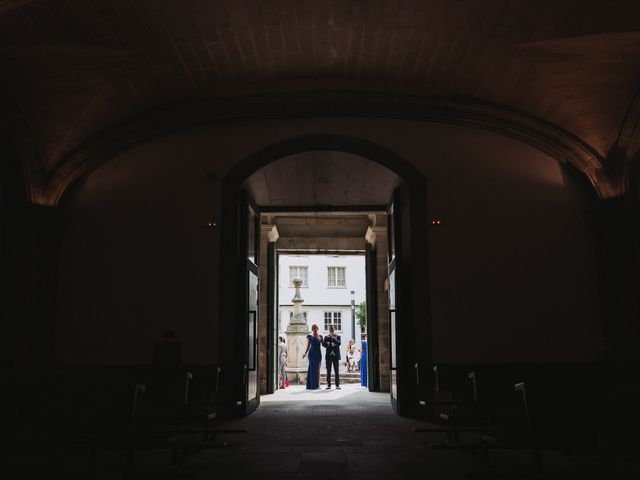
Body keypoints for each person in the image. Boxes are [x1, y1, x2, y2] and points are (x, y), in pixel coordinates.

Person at [302, 323, 323, 390]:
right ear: (312, 329)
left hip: (318, 354)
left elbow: (324, 344)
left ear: (317, 328)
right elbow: (308, 346)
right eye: (314, 328)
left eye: (316, 328)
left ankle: (317, 384)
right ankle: (311, 385)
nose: (315, 329)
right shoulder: (310, 337)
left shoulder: (320, 337)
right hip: (312, 354)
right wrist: (305, 353)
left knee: (318, 369)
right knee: (311, 369)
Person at [322, 324, 341, 389]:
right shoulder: (326, 337)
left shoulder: (338, 336)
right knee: (328, 371)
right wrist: (325, 343)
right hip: (329, 356)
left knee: (336, 371)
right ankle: (329, 385)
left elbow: (339, 343)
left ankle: (337, 385)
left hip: (335, 356)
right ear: (329, 330)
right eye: (330, 329)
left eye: (332, 329)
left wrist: (334, 339)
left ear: (334, 329)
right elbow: (324, 345)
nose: (331, 330)